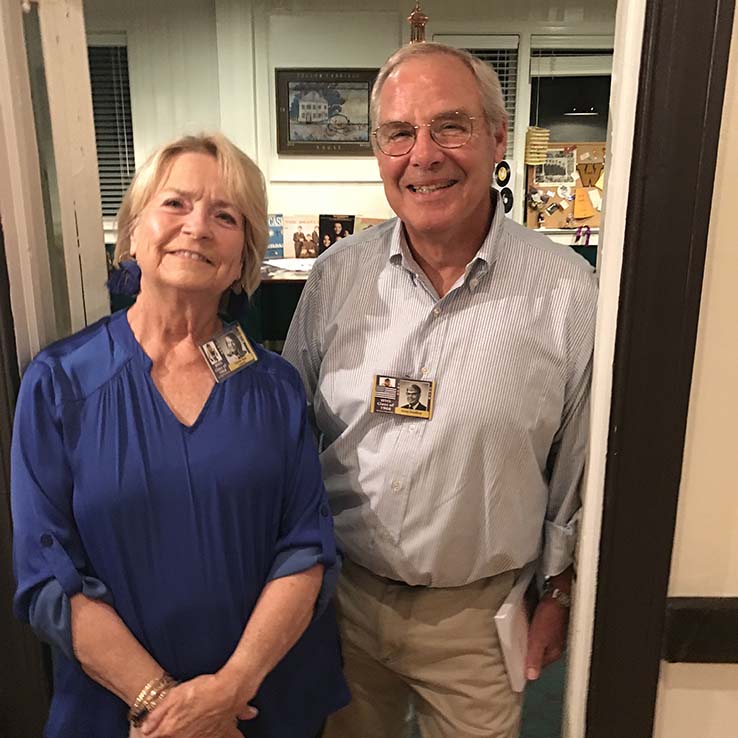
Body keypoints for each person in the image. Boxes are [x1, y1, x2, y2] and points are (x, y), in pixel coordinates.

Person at [283, 42, 597, 738]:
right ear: (379, 152)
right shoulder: (335, 278)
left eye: (450, 126)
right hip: (343, 606)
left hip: (478, 624)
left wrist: (559, 592)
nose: (423, 155)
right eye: (399, 133)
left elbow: (578, 469)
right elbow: (290, 436)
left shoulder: (569, 294)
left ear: (497, 139)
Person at [11, 133, 349, 738]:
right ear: (132, 232)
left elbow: (307, 549)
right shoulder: (59, 382)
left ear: (243, 258)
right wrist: (166, 706)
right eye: (175, 204)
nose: (197, 227)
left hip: (260, 703)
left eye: (226, 216)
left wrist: (228, 692)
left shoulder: (275, 387)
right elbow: (49, 574)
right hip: (120, 713)